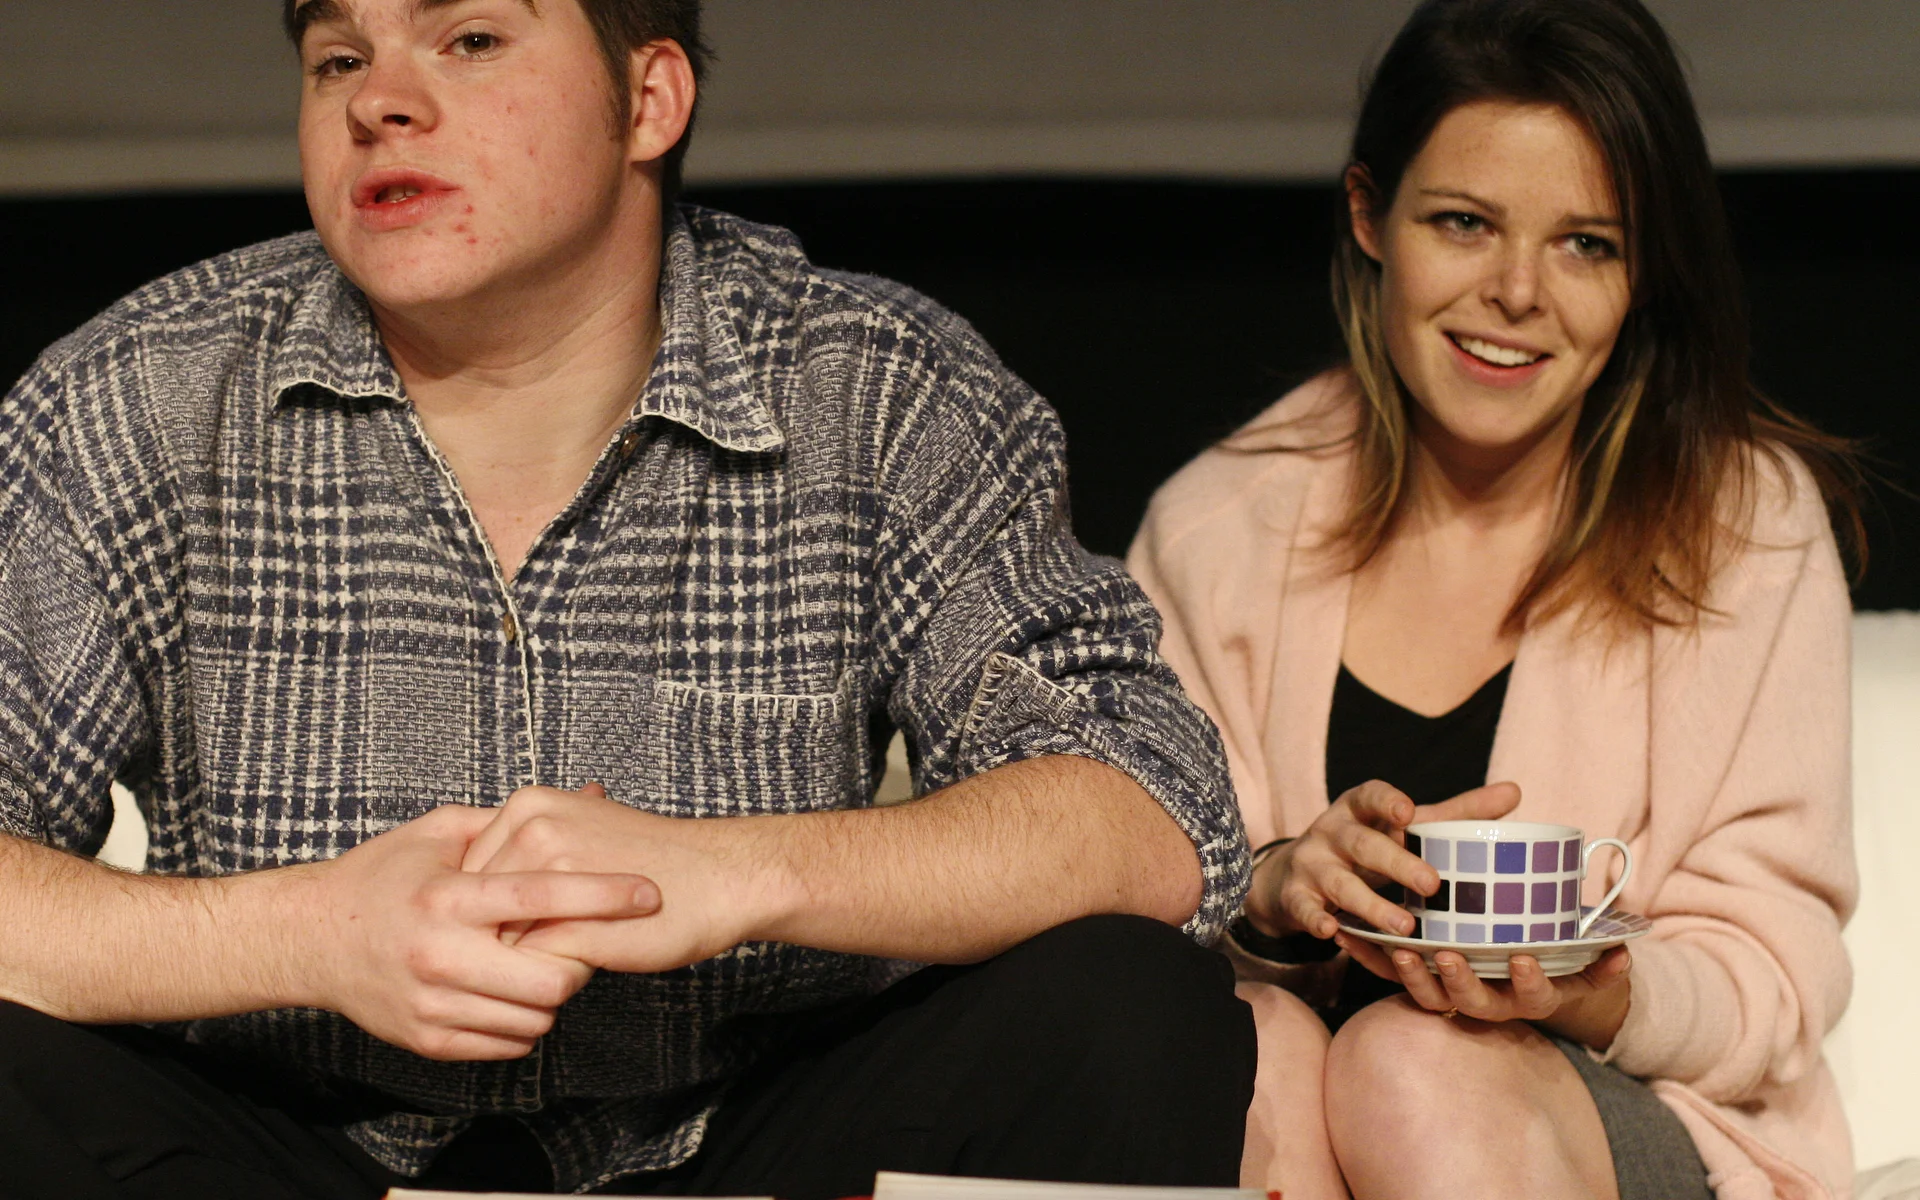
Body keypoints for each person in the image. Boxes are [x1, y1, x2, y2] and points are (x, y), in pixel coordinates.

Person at [0, 1, 1256, 1196]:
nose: (379, 102)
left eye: (469, 39)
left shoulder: (873, 385)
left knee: (1125, 997)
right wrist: (305, 935)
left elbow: (1152, 813)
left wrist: (732, 875)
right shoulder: (141, 394)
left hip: (753, 1139)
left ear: (649, 98)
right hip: (278, 1150)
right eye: (338, 59)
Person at [1127, 1, 1858, 1198]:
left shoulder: (1742, 528)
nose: (1518, 292)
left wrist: (1590, 992)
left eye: (1588, 245)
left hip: (1633, 1110)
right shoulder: (1217, 527)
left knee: (1412, 1063)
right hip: (1302, 1088)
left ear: (1644, 273)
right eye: (1464, 223)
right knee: (1253, 1053)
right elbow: (1128, 908)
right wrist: (1271, 891)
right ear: (1370, 216)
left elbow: (1775, 976)